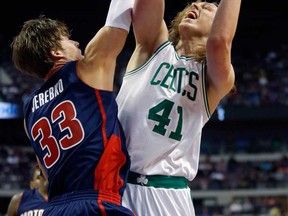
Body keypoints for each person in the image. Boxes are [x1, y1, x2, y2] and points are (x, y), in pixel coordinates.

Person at [115, 0, 242, 215]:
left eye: (208, 8)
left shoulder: (213, 80)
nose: (196, 6)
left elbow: (219, 41)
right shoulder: (152, 46)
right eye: (194, 4)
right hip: (114, 185)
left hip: (166, 194)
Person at [10, 0, 135, 215]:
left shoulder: (29, 110)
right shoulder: (87, 69)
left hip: (56, 208)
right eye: (67, 40)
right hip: (95, 202)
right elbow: (119, 19)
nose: (76, 43)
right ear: (56, 52)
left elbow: (47, 171)